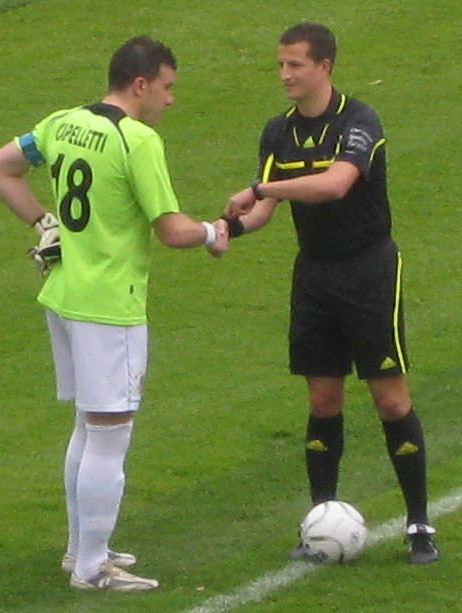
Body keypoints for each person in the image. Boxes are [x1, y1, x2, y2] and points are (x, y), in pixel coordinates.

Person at [0, 35, 228, 592]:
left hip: (65, 296)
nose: (170, 100)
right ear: (140, 84)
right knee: (111, 432)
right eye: (166, 88)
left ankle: (81, 550)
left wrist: (44, 222)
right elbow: (172, 230)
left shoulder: (63, 122)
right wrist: (213, 233)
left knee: (88, 426)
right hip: (109, 306)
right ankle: (93, 569)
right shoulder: (136, 140)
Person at [222, 22, 439, 564]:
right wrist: (226, 230)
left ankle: (419, 525)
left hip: (369, 272)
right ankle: (319, 523)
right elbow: (264, 211)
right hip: (315, 276)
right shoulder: (278, 131)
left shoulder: (358, 121)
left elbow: (335, 184)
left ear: (325, 67)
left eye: (295, 65)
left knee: (390, 400)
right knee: (323, 400)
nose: (284, 75)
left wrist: (260, 187)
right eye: (281, 64)